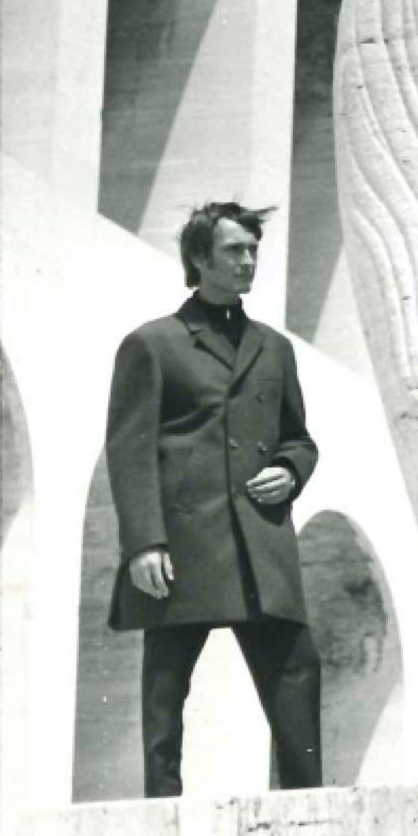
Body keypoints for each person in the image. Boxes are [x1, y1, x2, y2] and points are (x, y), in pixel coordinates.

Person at [105, 202, 323, 796]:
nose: (249, 261)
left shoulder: (273, 347)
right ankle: (160, 807)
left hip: (261, 543)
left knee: (297, 670)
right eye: (235, 250)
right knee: (166, 689)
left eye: (253, 249)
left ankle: (308, 805)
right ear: (200, 258)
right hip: (185, 543)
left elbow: (299, 438)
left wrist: (290, 470)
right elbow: (129, 452)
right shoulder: (152, 345)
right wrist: (143, 543)